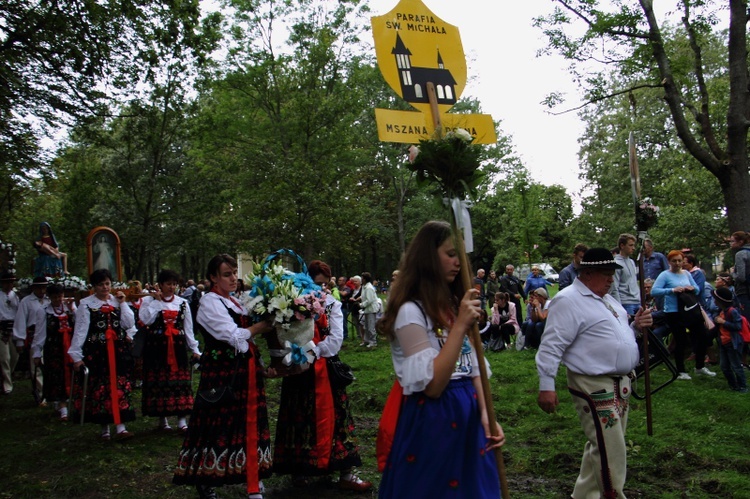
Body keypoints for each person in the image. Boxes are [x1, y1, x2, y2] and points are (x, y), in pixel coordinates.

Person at [377, 220, 504, 498]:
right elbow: (433, 385)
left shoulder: (449, 305)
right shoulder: (411, 311)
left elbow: (473, 367)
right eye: (450, 254)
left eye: (460, 255)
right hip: (435, 418)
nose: (458, 262)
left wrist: (486, 412)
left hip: (469, 412)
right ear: (427, 257)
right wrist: (459, 326)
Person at [536, 247, 653, 499]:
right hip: (592, 384)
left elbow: (616, 336)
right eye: (606, 273)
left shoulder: (609, 301)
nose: (611, 278)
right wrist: (547, 385)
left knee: (603, 444)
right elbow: (551, 345)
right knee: (610, 449)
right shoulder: (568, 300)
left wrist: (636, 327)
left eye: (613, 273)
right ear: (587, 273)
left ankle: (584, 496)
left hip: (619, 384)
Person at [173, 254, 274, 499]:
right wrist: (263, 325)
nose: (233, 279)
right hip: (222, 375)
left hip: (246, 373)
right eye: (227, 274)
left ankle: (253, 478)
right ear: (213, 278)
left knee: (248, 423)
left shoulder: (237, 302)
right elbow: (233, 336)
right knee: (217, 425)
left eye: (234, 273)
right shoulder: (210, 303)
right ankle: (207, 478)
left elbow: (246, 341)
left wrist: (262, 365)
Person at [273, 260, 372, 492]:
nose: (319, 289)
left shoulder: (332, 304)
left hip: (325, 369)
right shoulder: (292, 303)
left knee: (337, 418)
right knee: (299, 416)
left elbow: (336, 340)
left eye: (324, 284)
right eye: (315, 283)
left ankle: (345, 471)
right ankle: (300, 470)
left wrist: (313, 351)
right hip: (299, 369)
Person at [68, 269, 137, 440]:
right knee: (101, 388)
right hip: (98, 352)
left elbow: (129, 323)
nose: (105, 288)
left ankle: (121, 426)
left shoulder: (117, 302)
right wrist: (76, 354)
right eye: (100, 285)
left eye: (107, 284)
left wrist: (123, 303)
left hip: (118, 350)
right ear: (94, 287)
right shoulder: (86, 304)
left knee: (119, 386)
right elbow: (81, 330)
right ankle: (104, 427)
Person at [138, 270, 201, 433]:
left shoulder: (182, 303)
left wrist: (194, 348)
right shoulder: (149, 301)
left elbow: (188, 328)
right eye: (168, 284)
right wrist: (157, 302)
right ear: (160, 285)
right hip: (157, 347)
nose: (171, 287)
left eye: (174, 284)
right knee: (160, 381)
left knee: (180, 382)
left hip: (177, 347)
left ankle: (181, 420)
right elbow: (145, 319)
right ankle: (163, 419)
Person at [650, 250, 716, 380]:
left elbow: (697, 288)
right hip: (674, 312)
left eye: (680, 260)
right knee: (681, 340)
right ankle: (681, 371)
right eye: (674, 261)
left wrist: (691, 288)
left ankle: (700, 366)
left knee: (702, 336)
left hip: (689, 310)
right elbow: (654, 291)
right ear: (669, 262)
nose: (677, 263)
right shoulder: (665, 275)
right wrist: (672, 290)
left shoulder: (686, 273)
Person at [30, 284, 76, 421]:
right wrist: (37, 352)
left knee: (72, 374)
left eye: (60, 296)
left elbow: (80, 322)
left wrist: (72, 308)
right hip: (54, 349)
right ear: (49, 297)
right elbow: (39, 333)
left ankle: (71, 400)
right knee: (57, 376)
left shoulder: (69, 308)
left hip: (70, 347)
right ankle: (62, 406)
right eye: (55, 297)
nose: (58, 299)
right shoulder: (44, 311)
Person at [13, 276, 50, 404]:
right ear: (33, 288)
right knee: (37, 364)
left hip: (49, 333)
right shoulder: (26, 301)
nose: (42, 290)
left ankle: (50, 392)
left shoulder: (49, 300)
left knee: (49, 363)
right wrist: (20, 340)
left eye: (44, 287)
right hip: (34, 334)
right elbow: (21, 320)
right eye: (39, 287)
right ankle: (40, 394)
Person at [711, 287, 748, 393]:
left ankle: (743, 386)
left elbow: (738, 326)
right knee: (724, 366)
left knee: (736, 366)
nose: (714, 301)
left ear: (720, 301)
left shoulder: (732, 311)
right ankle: (733, 385)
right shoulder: (720, 311)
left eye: (715, 299)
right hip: (723, 343)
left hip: (732, 343)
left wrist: (723, 322)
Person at [609, 233, 641, 317]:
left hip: (636, 301)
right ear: (622, 246)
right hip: (625, 302)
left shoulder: (632, 262)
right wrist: (619, 308)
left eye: (634, 245)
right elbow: (614, 287)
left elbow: (633, 282)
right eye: (630, 245)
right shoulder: (616, 264)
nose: (633, 248)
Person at [0, 271, 20, 395]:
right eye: (7, 282)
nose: (10, 285)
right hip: (1, 328)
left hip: (14, 327)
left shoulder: (16, 296)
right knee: (4, 357)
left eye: (11, 282)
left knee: (14, 356)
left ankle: (6, 376)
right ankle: (7, 385)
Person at [729, 231, 750, 321]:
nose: (730, 244)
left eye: (732, 241)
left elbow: (741, 277)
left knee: (746, 319)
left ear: (741, 242)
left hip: (744, 291)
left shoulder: (740, 254)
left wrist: (732, 273)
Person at [360, 272, 379, 348]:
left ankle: (373, 342)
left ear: (365, 279)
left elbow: (369, 300)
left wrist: (361, 305)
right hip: (367, 310)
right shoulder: (365, 287)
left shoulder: (369, 288)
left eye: (362, 278)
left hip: (371, 310)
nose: (361, 279)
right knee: (366, 326)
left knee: (371, 327)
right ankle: (367, 340)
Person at [337, 276, 353, 340]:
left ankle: (345, 335)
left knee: (344, 321)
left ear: (344, 282)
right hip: (337, 307)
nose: (339, 281)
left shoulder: (347, 288)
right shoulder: (337, 288)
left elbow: (344, 294)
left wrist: (337, 291)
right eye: (338, 280)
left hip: (344, 307)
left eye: (341, 280)